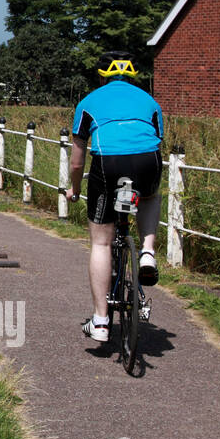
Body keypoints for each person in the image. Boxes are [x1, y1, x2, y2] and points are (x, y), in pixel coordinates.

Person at [65, 51, 163, 344]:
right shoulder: (150, 101)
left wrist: (76, 189)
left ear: (101, 76)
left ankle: (101, 321)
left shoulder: (88, 102)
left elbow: (77, 163)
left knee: (101, 242)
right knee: (149, 196)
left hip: (109, 164)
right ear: (132, 76)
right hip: (148, 160)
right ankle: (147, 252)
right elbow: (156, 138)